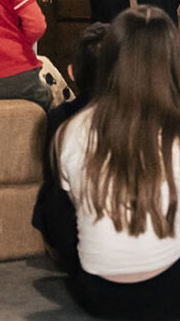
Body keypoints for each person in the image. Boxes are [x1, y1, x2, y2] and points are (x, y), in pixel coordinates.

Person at [50, 5, 180, 319]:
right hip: (170, 298)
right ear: (172, 66)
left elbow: (77, 209)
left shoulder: (71, 130)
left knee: (58, 206)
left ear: (110, 60)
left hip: (94, 296)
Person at [32, 22, 109, 261]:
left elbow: (49, 172)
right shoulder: (133, 118)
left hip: (64, 237)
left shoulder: (57, 118)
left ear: (72, 73)